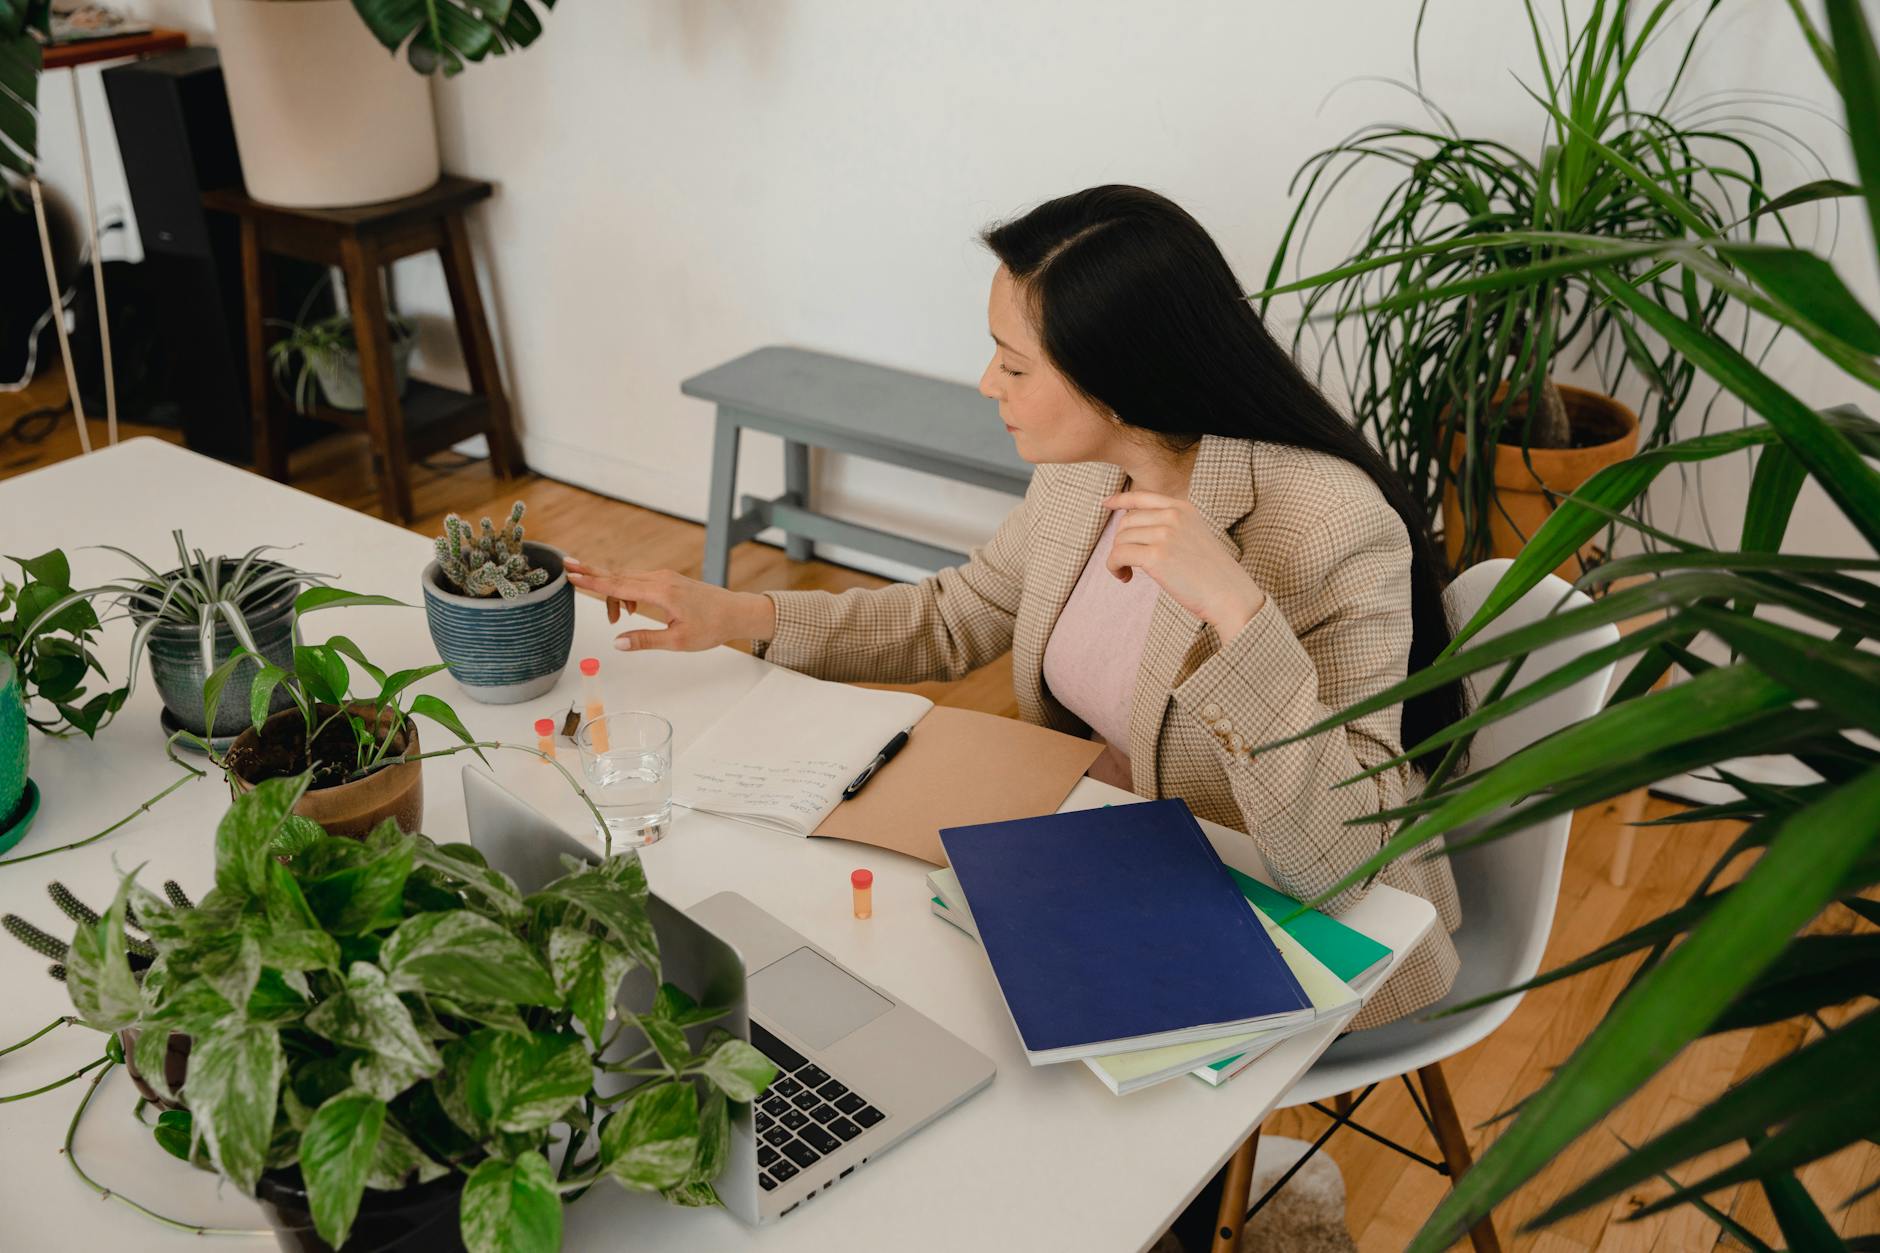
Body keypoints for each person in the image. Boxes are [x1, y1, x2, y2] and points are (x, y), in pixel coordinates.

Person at [568, 184, 1466, 1031]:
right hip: (1114, 865)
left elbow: (1341, 863)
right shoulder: (1084, 475)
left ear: (1117, 380)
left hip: (1295, 921)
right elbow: (959, 611)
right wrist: (740, 617)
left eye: (1013, 364)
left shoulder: (1331, 523)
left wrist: (1237, 610)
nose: (987, 384)